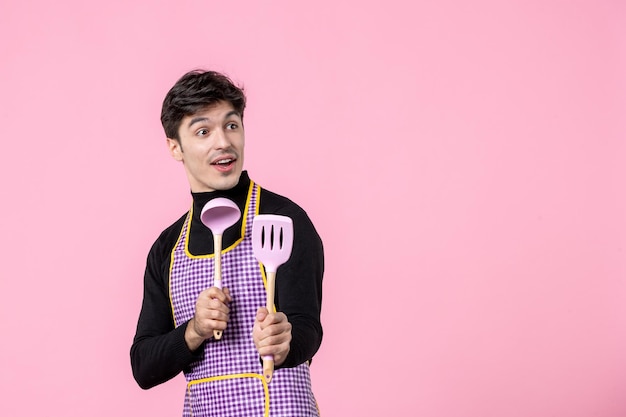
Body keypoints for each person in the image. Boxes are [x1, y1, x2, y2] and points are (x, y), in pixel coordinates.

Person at [130, 70, 324, 416]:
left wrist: (285, 341)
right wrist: (195, 329)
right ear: (175, 147)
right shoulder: (168, 248)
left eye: (231, 125)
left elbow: (308, 328)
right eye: (203, 131)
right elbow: (144, 366)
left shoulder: (283, 219)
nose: (223, 142)